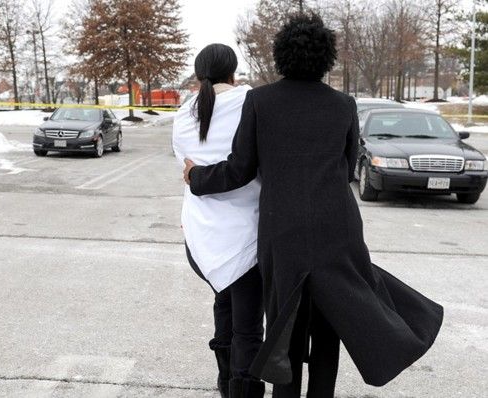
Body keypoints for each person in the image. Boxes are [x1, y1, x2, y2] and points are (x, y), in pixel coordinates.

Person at [183, 14, 443, 398]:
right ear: (326, 58)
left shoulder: (260, 100)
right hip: (337, 227)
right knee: (328, 327)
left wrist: (196, 177)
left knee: (284, 325)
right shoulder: (343, 104)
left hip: (281, 229)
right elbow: (347, 165)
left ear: (281, 54)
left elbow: (240, 169)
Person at [172, 43, 265, 398]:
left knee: (223, 304)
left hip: (201, 238)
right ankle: (242, 389)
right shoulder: (252, 104)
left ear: (198, 75)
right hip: (246, 238)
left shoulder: (183, 116)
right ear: (234, 71)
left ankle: (226, 383)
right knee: (248, 328)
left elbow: (187, 171)